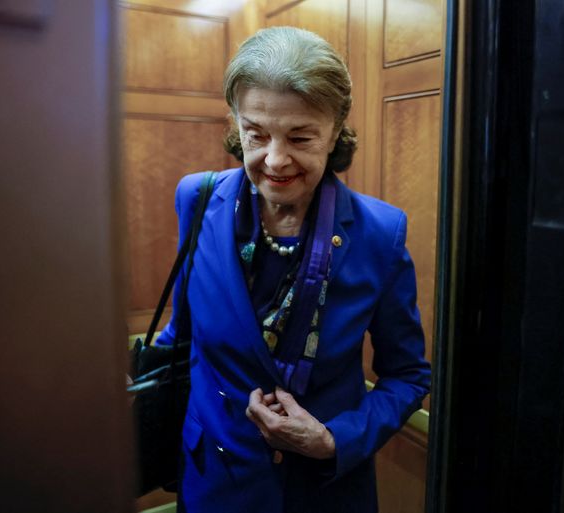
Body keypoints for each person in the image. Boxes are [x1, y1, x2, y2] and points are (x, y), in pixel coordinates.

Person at [155, 26, 431, 513]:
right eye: (255, 134)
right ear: (235, 123)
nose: (275, 160)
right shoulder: (195, 200)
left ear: (335, 132)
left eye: (300, 137)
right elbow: (183, 332)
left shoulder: (380, 233)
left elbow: (407, 375)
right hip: (216, 482)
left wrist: (333, 440)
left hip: (324, 492)